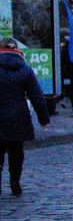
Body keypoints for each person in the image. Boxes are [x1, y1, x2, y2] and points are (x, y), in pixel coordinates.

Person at [0, 37, 51, 195]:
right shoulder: (25, 69)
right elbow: (37, 96)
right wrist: (43, 119)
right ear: (17, 50)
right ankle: (15, 181)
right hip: (18, 116)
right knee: (17, 151)